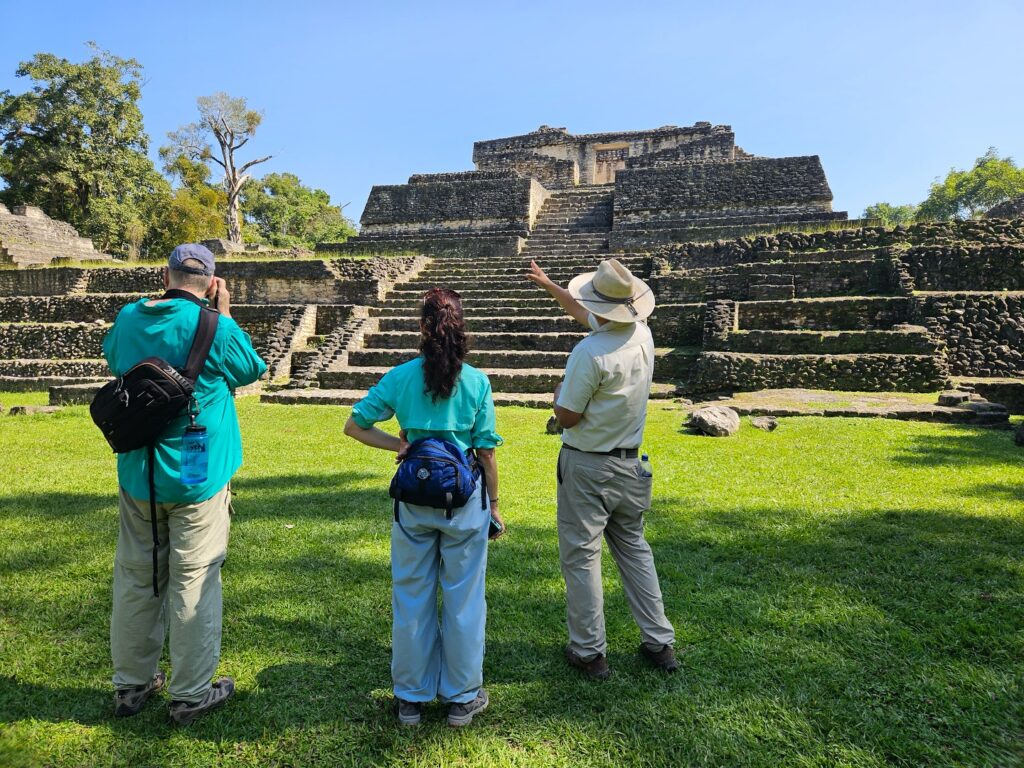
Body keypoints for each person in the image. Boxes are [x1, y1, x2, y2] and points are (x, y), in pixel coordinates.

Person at [104, 243, 267, 725]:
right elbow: (251, 369)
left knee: (136, 577)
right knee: (194, 580)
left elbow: (115, 359)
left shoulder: (131, 317)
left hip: (141, 472)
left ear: (166, 274)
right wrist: (225, 313)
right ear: (212, 282)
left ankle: (131, 685)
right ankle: (191, 692)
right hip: (199, 477)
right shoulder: (216, 326)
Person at [343, 287, 503, 727]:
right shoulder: (476, 381)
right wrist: (495, 504)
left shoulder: (402, 376)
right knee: (464, 601)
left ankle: (410, 699)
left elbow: (354, 426)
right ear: (461, 328)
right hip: (465, 503)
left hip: (414, 502)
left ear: (421, 328)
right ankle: (461, 697)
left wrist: (401, 444)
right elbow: (486, 452)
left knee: (411, 596)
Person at [526, 258, 677, 680]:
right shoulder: (641, 334)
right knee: (634, 551)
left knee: (582, 557)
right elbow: (587, 314)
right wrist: (551, 286)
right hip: (631, 466)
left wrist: (557, 395)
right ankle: (659, 642)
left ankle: (589, 651)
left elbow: (568, 417)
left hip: (588, 466)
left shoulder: (589, 353)